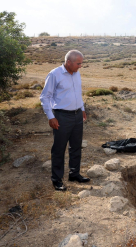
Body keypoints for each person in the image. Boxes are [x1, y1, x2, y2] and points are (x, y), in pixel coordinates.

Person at [40, 50, 90, 191]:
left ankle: (74, 174)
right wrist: (51, 117)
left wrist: (82, 108)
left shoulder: (76, 73)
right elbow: (45, 97)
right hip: (62, 116)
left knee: (76, 146)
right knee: (59, 149)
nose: (80, 66)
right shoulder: (55, 74)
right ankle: (57, 180)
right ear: (69, 62)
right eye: (78, 63)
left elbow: (77, 93)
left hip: (77, 115)